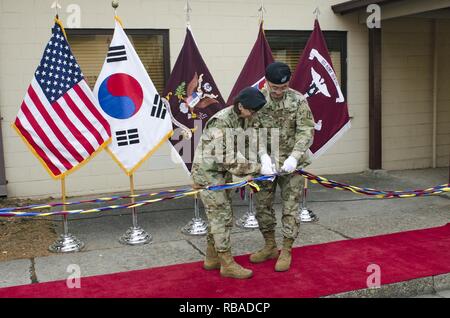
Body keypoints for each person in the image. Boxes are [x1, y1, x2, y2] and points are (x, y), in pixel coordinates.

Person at [191, 86, 267, 279]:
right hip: (208, 174)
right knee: (221, 216)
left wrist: (264, 158)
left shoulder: (244, 117)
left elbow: (250, 141)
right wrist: (257, 168)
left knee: (219, 216)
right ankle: (227, 264)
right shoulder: (221, 122)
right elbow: (226, 157)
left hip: (222, 174)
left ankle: (211, 258)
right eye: (252, 110)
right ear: (241, 106)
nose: (254, 114)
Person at [249, 61, 315, 272]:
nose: (278, 92)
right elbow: (252, 130)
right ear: (266, 82)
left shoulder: (298, 100)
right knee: (262, 206)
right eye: (274, 87)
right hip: (266, 165)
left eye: (283, 88)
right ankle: (270, 245)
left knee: (291, 207)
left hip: (291, 165)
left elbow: (306, 130)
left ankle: (286, 249)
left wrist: (295, 157)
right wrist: (262, 156)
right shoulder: (257, 99)